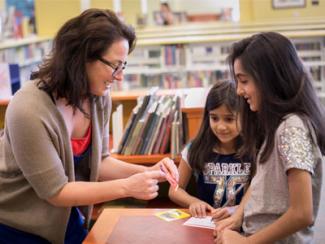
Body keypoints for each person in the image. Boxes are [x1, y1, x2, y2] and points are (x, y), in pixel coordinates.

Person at [0, 9, 178, 244]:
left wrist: (149, 173)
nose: (120, 77)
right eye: (115, 66)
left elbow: (100, 161)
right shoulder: (27, 109)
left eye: (123, 66)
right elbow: (56, 192)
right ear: (81, 57)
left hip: (64, 216)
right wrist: (127, 187)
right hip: (18, 222)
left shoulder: (98, 95)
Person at [214, 32, 325, 244]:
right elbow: (260, 182)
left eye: (244, 81)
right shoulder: (276, 127)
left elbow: (302, 213)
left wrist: (246, 242)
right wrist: (238, 217)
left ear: (270, 78)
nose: (238, 91)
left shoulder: (291, 128)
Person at [168, 80, 252, 218]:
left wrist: (238, 210)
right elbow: (174, 189)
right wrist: (194, 202)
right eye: (214, 118)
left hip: (242, 223)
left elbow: (259, 196)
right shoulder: (195, 148)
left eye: (229, 119)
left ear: (245, 116)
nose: (221, 126)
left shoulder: (255, 150)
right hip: (206, 222)